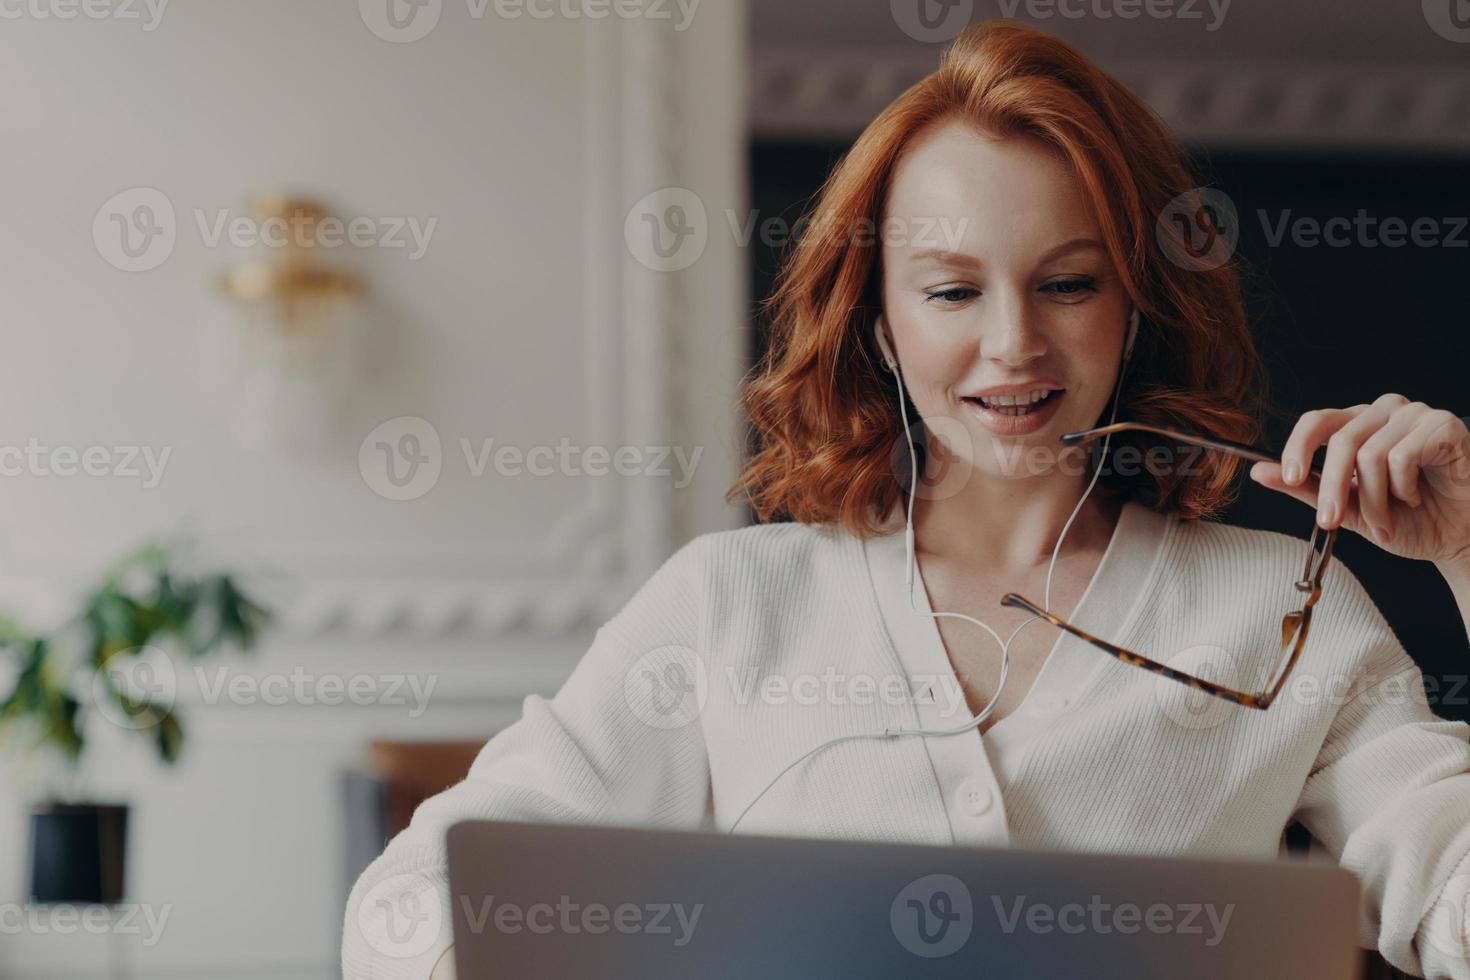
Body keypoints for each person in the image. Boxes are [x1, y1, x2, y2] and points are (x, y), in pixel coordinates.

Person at [343, 20, 1470, 980]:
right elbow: (401, 911)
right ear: (880, 320)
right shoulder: (731, 604)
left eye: (1069, 283)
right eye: (951, 289)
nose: (1014, 342)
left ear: (1135, 308)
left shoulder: (1284, 608)